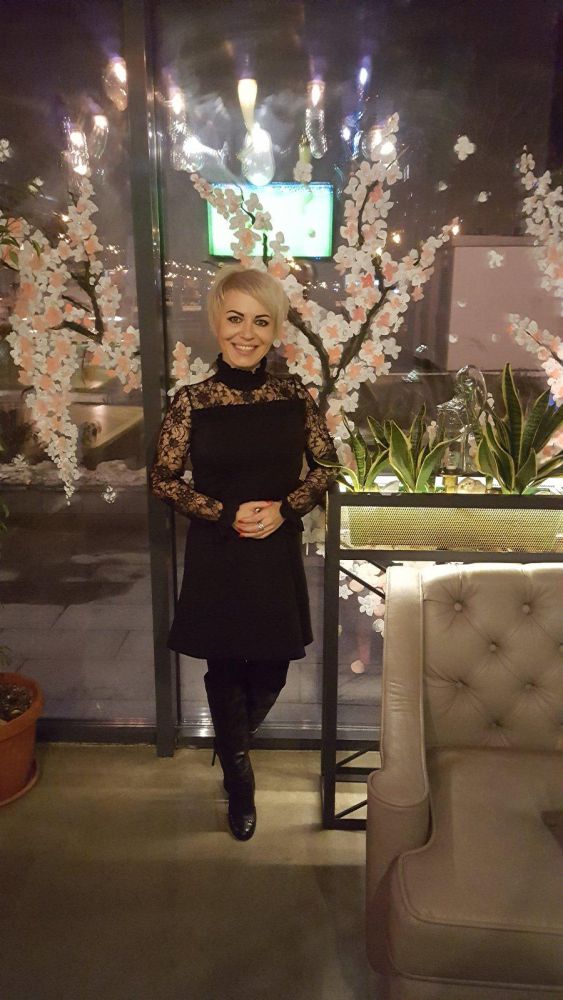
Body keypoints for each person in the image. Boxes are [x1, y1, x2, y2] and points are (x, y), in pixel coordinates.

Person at [149, 264, 338, 841]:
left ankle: (231, 742)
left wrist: (286, 508)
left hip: (274, 551)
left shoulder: (295, 396)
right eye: (235, 319)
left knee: (274, 667)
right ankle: (239, 776)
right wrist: (224, 512)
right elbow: (162, 478)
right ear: (217, 322)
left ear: (275, 329)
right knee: (225, 665)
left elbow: (327, 466)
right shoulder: (192, 402)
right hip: (218, 552)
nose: (246, 333)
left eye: (260, 321)